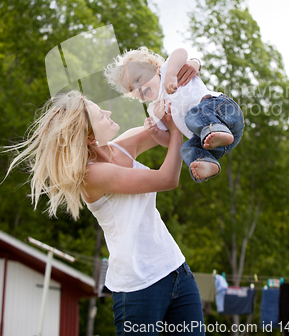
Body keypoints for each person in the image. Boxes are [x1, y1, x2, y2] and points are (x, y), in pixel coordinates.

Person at [5, 89, 205, 335]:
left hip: (176, 269)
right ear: (90, 137)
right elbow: (167, 179)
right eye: (101, 115)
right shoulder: (93, 175)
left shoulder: (122, 147)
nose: (108, 112)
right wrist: (174, 133)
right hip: (138, 287)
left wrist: (180, 79)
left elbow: (175, 118)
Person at [104, 47, 244, 183]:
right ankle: (207, 162)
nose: (138, 88)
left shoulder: (167, 72)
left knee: (192, 115)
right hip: (217, 142)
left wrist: (171, 74)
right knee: (187, 148)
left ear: (153, 68)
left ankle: (217, 129)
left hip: (222, 110)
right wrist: (155, 132)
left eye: (138, 79)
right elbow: (168, 141)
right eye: (132, 88)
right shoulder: (155, 109)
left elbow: (180, 52)